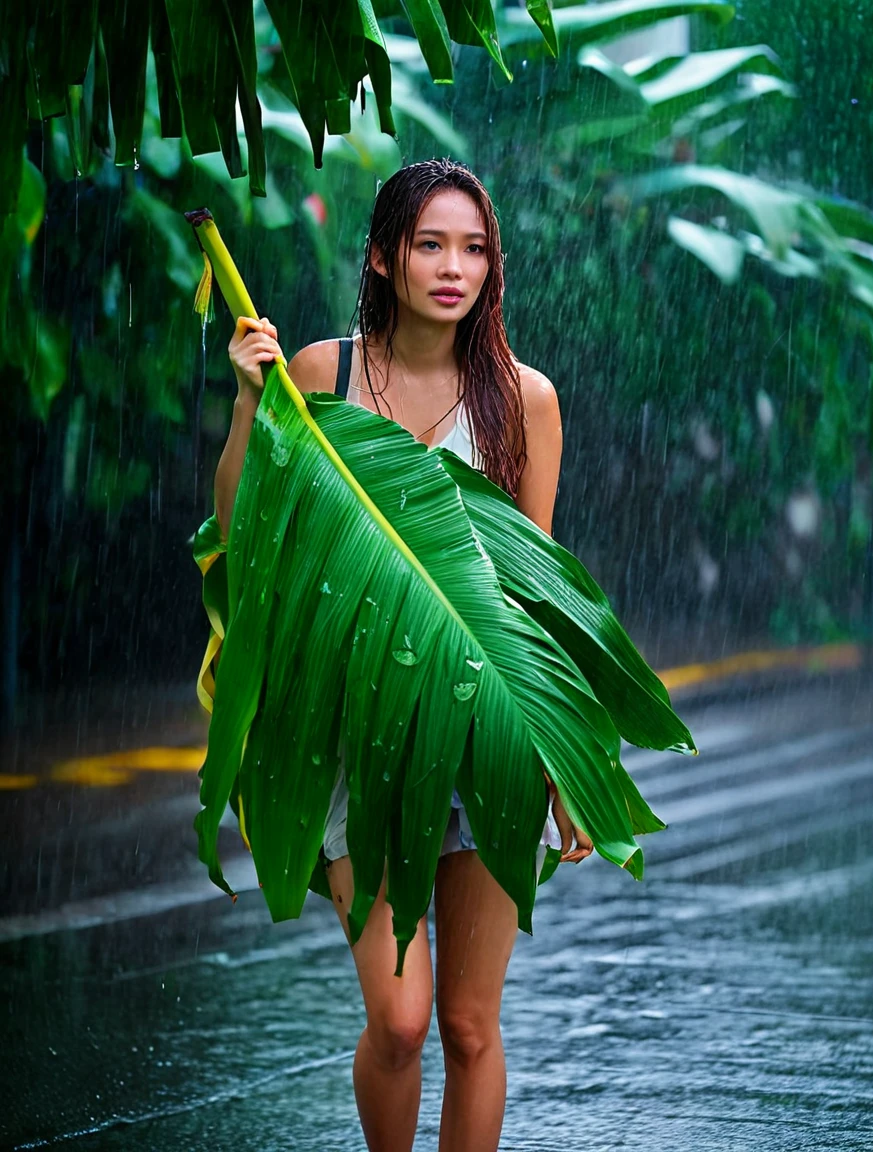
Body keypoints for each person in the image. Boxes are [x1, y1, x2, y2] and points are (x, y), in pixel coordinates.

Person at [214, 159, 592, 1152]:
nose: (453, 267)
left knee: (468, 1028)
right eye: (430, 243)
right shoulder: (320, 374)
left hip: (486, 734)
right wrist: (252, 405)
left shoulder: (523, 399)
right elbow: (244, 538)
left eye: (473, 248)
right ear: (382, 257)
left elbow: (531, 597)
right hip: (355, 735)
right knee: (400, 1022)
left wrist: (563, 767)